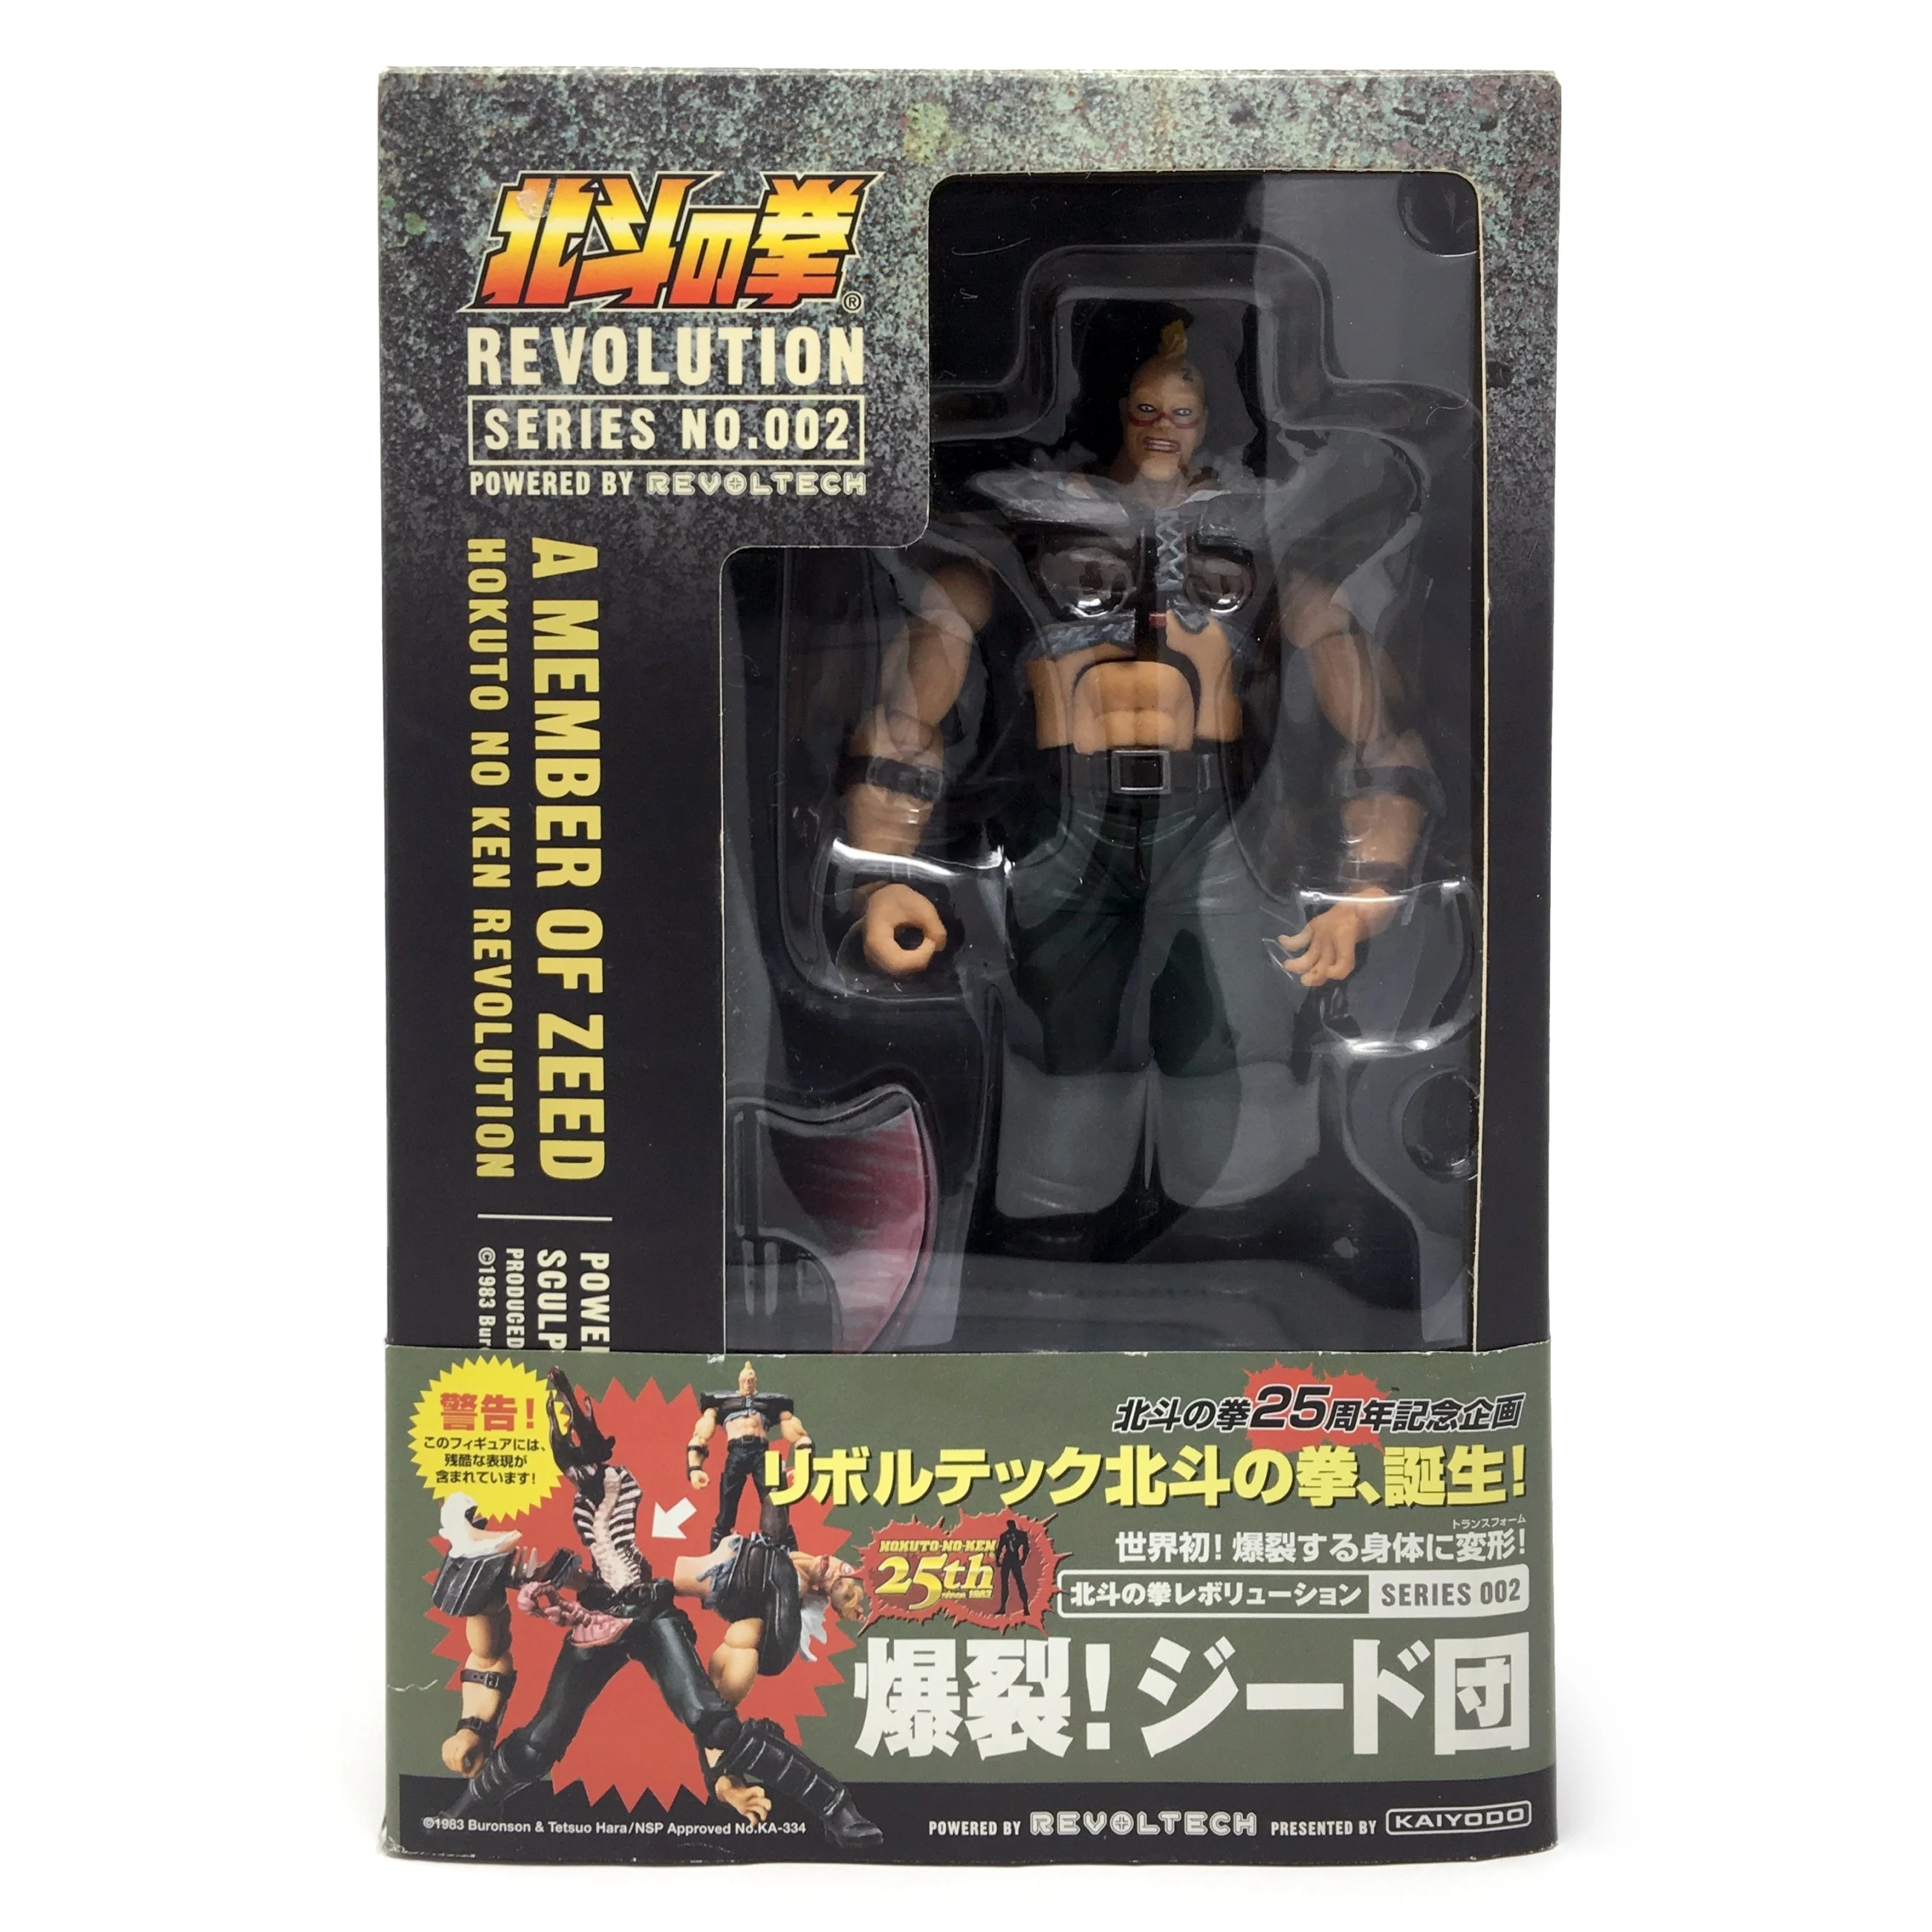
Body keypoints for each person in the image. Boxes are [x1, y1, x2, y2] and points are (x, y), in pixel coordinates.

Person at [838, 318, 1435, 1253]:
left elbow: (1375, 728)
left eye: (1182, 411)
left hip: (1212, 820)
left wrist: (1367, 889)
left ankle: (1235, 1227)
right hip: (1065, 818)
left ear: (1209, 421)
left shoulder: (1259, 548)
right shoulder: (1030, 535)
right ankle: (1047, 1225)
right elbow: (906, 712)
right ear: (1118, 410)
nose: (1163, 426)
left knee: (1227, 1028)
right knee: (1059, 1031)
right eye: (1147, 408)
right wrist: (882, 873)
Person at [434, 1371, 881, 1850]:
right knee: (542, 1738)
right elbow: (487, 1656)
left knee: (712, 1718)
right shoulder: (502, 1560)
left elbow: (716, 1703)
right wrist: (473, 1728)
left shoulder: (624, 1489)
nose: (583, 1473)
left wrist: (722, 1780)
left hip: (650, 1611)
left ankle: (835, 1805)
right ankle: (473, 1808)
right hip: (596, 1618)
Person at [687, 1361, 812, 1548]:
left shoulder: (769, 1405)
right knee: (727, 1503)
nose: (748, 1384)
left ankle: (790, 1553)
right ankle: (717, 1551)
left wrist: (804, 1466)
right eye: (745, 1380)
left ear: (756, 1381)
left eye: (751, 1380)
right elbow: (700, 1438)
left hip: (761, 1454)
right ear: (740, 1381)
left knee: (776, 1505)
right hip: (736, 1452)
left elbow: (800, 1436)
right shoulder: (721, 1406)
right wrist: (695, 1468)